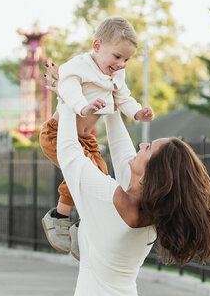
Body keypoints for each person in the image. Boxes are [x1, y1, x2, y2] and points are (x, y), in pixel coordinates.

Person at [46, 65, 210, 296]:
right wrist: (111, 98)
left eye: (149, 148)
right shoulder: (151, 209)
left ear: (154, 174)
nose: (142, 144)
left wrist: (68, 97)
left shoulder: (112, 200)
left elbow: (68, 153)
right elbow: (122, 150)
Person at [40, 17, 154, 258]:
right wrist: (84, 107)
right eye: (117, 57)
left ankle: (85, 225)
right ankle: (59, 218)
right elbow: (67, 90)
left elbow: (123, 98)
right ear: (97, 46)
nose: (121, 64)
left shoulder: (116, 76)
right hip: (56, 133)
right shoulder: (78, 66)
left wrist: (137, 112)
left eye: (126, 59)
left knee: (100, 177)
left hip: (87, 139)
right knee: (83, 175)